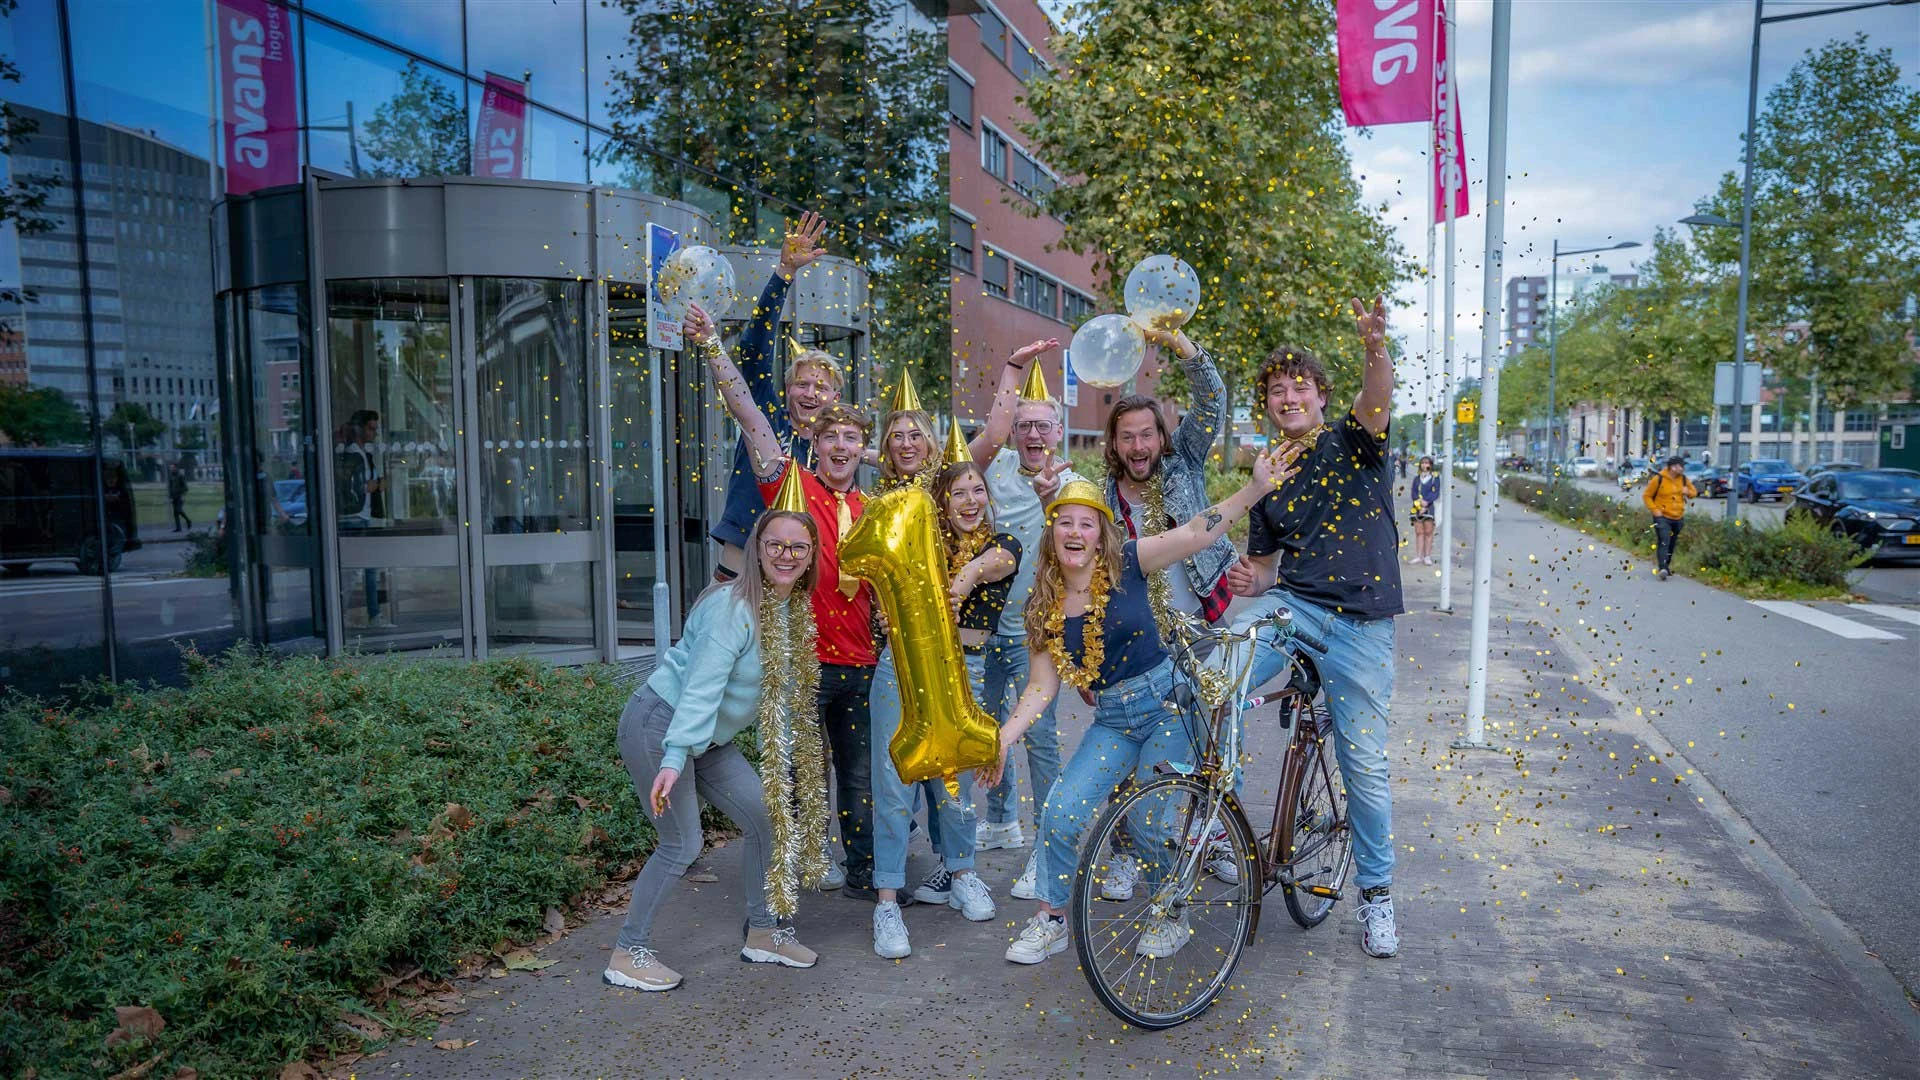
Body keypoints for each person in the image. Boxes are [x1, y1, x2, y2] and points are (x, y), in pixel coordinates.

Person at [987, 450, 1291, 966]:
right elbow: (1041, 688)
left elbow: (1196, 533)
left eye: (1087, 522)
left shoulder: (1127, 560)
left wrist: (1256, 489)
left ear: (1100, 532)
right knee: (1060, 812)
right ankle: (1052, 919)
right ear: (1051, 532)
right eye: (1065, 522)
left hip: (1170, 704)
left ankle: (1170, 910)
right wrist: (1001, 738)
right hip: (1113, 718)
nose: (1076, 531)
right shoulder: (1042, 603)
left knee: (1149, 822)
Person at [1222, 296, 1405, 960]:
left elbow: (1377, 396)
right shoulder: (1270, 470)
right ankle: (1216, 813)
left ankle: (1378, 898)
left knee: (1365, 769)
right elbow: (1270, 566)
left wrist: (1374, 347)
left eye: (1300, 385)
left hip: (1360, 624)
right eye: (1276, 389)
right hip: (1293, 609)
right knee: (1221, 671)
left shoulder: (1356, 440)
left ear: (1323, 396)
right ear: (1266, 404)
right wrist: (1253, 582)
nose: (1288, 395)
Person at [686, 302, 878, 901]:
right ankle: (792, 864)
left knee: (856, 775)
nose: (841, 446)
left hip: (861, 664)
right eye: (832, 437)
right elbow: (748, 415)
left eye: (853, 438)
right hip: (801, 660)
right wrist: (714, 346)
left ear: (861, 448)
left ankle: (868, 876)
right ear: (815, 446)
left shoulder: (878, 510)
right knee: (795, 772)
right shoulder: (792, 488)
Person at [604, 505, 826, 992]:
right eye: (775, 545)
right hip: (662, 723)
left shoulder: (788, 611)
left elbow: (779, 696)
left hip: (706, 737)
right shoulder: (734, 608)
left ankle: (765, 933)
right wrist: (673, 756)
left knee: (768, 815)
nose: (785, 555)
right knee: (682, 842)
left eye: (798, 547)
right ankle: (628, 951)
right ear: (757, 551)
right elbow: (700, 689)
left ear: (811, 557)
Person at [863, 376, 994, 958]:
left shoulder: (950, 507)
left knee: (955, 771)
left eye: (917, 433)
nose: (908, 441)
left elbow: (999, 536)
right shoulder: (877, 507)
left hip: (953, 660)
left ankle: (961, 871)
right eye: (897, 435)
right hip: (898, 659)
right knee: (892, 779)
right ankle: (887, 903)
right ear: (886, 448)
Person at [956, 342, 1082, 901]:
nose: (1033, 434)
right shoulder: (994, 468)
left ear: (1058, 431)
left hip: (1038, 635)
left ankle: (1047, 851)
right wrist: (1010, 370)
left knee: (1041, 742)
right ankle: (1001, 818)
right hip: (984, 631)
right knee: (986, 729)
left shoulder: (1075, 483)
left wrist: (1054, 498)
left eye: (1043, 426)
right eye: (1025, 424)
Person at [709, 211, 836, 583]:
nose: (810, 393)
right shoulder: (767, 417)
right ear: (786, 389)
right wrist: (784, 274)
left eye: (821, 387)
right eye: (802, 384)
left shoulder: (835, 447)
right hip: (740, 568)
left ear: (835, 396)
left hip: (799, 582)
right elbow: (754, 349)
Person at [1101, 325, 1236, 631]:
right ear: (1113, 443)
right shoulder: (1102, 499)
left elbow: (1211, 404)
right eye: (1127, 437)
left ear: (1162, 438)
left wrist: (1178, 342)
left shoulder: (1183, 460)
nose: (1138, 446)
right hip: (1139, 635)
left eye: (1147, 435)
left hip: (1202, 621)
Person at [1643, 455, 1696, 580]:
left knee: (1672, 543)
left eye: (1682, 466)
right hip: (1662, 516)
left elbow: (1694, 493)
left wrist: (1687, 492)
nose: (1681, 469)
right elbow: (1647, 496)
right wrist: (1655, 510)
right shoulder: (1659, 478)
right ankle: (1662, 568)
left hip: (1677, 517)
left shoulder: (1683, 480)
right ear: (1672, 467)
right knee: (1664, 539)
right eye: (1678, 466)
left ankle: (1666, 565)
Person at [1408, 455, 1440, 565]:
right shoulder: (1417, 479)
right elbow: (1413, 493)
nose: (1424, 465)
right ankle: (1418, 556)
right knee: (1419, 532)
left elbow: (1435, 493)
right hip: (1417, 508)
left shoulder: (1435, 478)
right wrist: (1419, 505)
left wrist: (1426, 503)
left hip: (1429, 508)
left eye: (1427, 463)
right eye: (1423, 463)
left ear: (1430, 465)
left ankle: (1427, 556)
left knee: (1428, 532)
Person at [168, 463, 191, 532]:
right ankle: (178, 528)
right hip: (174, 496)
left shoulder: (180, 475)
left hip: (179, 496)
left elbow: (185, 487)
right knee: (175, 513)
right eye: (170, 468)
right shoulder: (171, 476)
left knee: (178, 510)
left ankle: (188, 520)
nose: (171, 469)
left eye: (172, 467)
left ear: (175, 468)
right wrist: (170, 495)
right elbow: (170, 487)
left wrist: (183, 495)